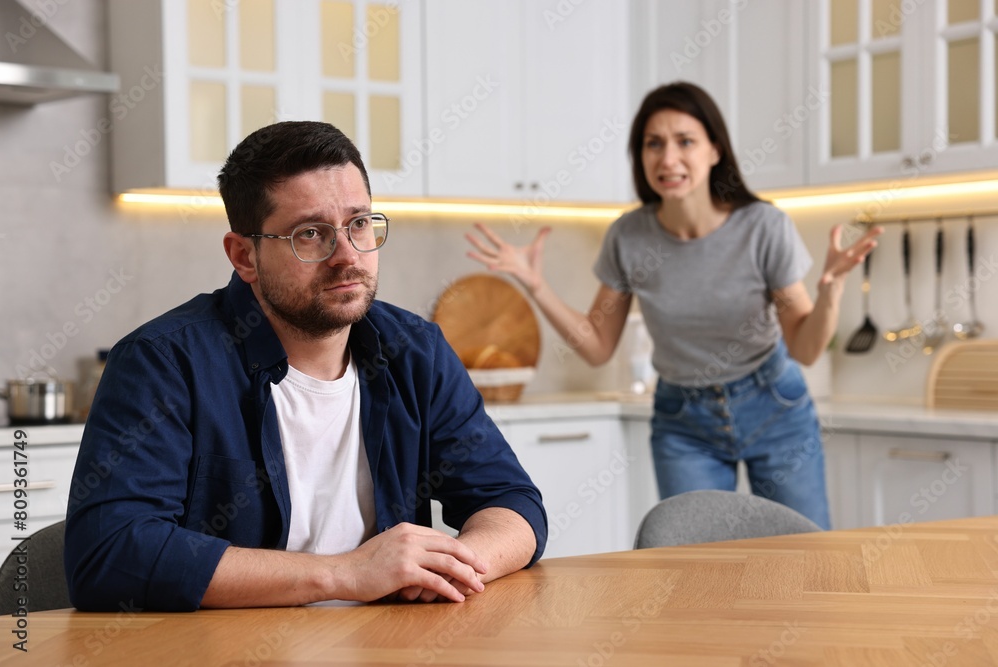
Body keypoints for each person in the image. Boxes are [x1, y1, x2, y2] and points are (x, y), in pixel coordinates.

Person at [65, 121, 547, 612]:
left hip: (390, 642)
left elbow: (512, 502)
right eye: (310, 234)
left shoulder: (417, 351)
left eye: (359, 223)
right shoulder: (163, 362)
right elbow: (110, 555)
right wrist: (345, 574)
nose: (347, 255)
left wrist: (454, 565)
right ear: (244, 256)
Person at [467, 82, 882, 530]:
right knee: (697, 561)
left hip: (773, 407)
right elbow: (598, 346)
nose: (668, 159)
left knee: (802, 554)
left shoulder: (763, 227)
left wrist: (832, 291)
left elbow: (805, 348)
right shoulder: (629, 236)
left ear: (715, 149)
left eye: (685, 141)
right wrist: (536, 286)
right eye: (654, 144)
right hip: (685, 422)